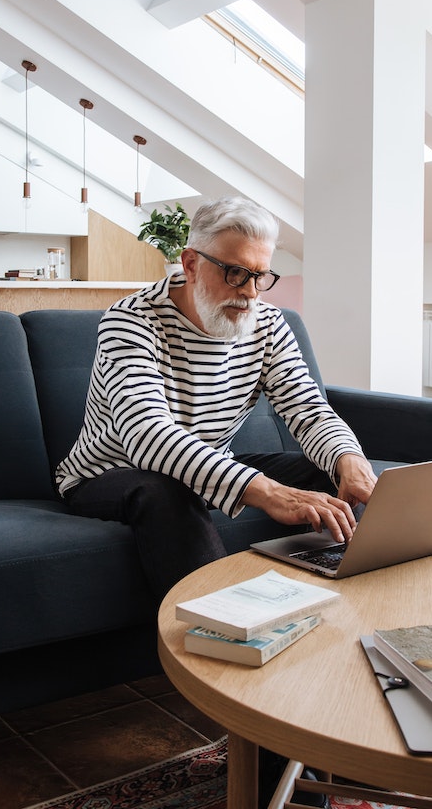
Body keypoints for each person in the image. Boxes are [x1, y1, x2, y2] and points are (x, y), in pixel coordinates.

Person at [56, 195, 377, 602]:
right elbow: (147, 436)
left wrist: (350, 460)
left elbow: (308, 410)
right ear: (191, 264)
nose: (249, 293)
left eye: (261, 276)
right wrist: (269, 493)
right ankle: (222, 629)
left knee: (329, 477)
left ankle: (352, 605)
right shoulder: (131, 321)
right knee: (165, 490)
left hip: (206, 469)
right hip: (110, 474)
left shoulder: (268, 324)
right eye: (235, 273)